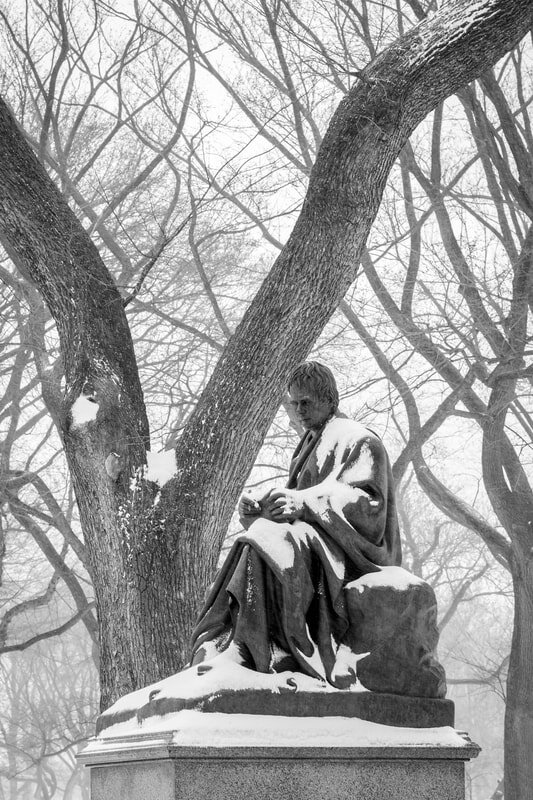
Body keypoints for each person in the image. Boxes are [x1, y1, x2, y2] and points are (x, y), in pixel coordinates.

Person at [190, 361, 401, 688]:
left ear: (329, 400)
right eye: (294, 403)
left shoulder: (360, 440)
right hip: (315, 539)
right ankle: (231, 640)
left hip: (352, 553)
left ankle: (260, 648)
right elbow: (294, 508)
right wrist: (261, 512)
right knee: (258, 537)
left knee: (272, 542)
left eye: (306, 402)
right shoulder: (309, 443)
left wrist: (304, 503)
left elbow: (369, 504)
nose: (298, 410)